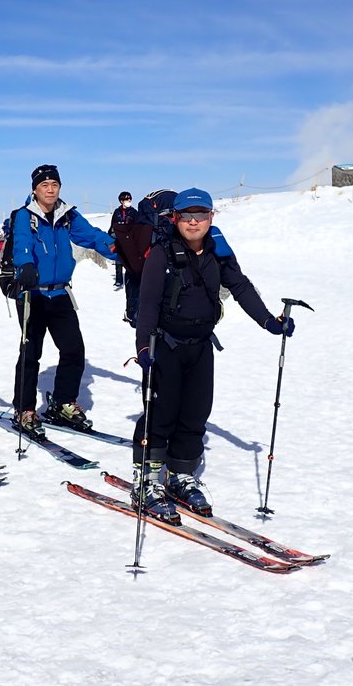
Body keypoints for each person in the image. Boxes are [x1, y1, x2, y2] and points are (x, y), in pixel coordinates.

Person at [130, 188, 295, 522]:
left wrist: (268, 321)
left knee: (195, 413)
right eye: (187, 216)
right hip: (165, 344)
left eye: (201, 215)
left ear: (211, 218)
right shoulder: (161, 254)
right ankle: (147, 480)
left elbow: (241, 287)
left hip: (201, 345)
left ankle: (180, 474)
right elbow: (146, 304)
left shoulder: (219, 252)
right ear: (175, 218)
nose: (194, 222)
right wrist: (144, 347)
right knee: (161, 413)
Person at [11, 164, 116, 436]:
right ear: (34, 189)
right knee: (31, 353)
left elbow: (91, 236)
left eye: (54, 184)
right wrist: (25, 265)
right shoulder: (25, 216)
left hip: (60, 293)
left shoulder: (67, 216)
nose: (50, 189)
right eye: (44, 185)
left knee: (73, 350)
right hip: (32, 294)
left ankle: (62, 403)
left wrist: (121, 249)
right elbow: (21, 243)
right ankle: (24, 409)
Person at [110, 191, 135, 290]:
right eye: (126, 199)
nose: (128, 201)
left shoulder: (133, 212)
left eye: (130, 199)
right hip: (119, 238)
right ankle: (119, 280)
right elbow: (112, 224)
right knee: (118, 260)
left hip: (130, 239)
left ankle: (131, 279)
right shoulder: (117, 212)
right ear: (121, 201)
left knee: (130, 260)